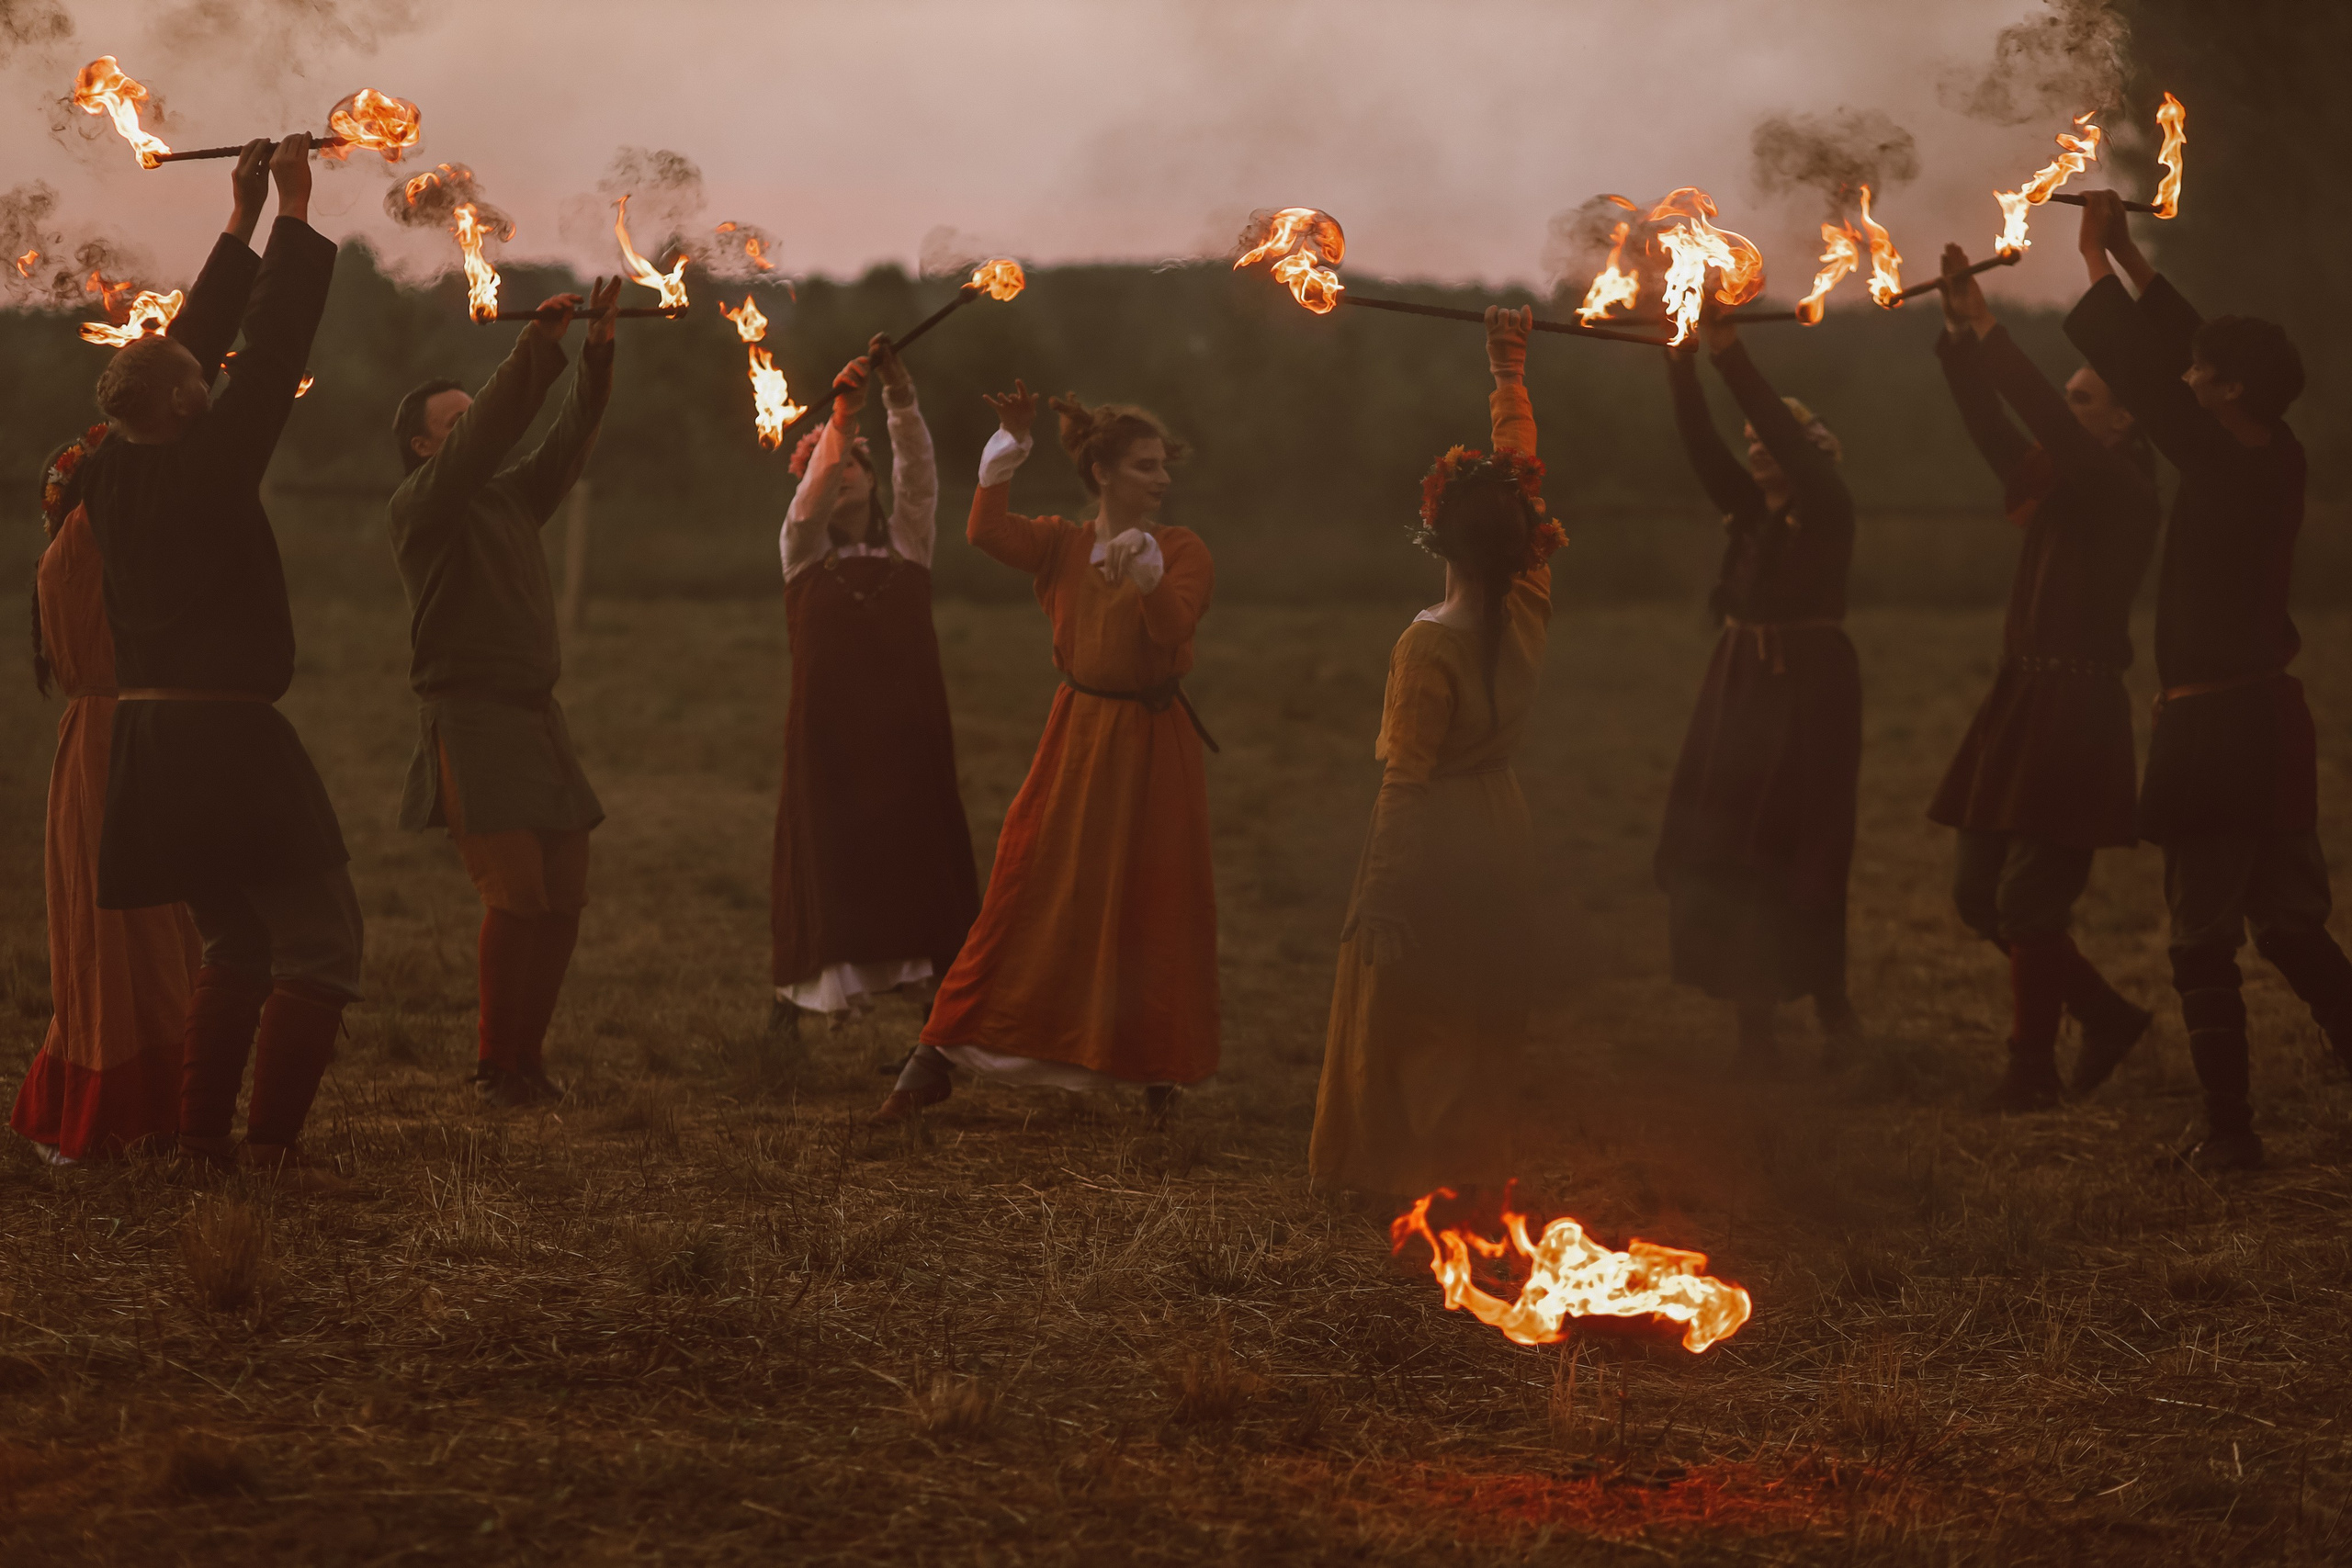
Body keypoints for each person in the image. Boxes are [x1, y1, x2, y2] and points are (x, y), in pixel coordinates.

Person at [78, 135, 356, 1189]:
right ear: (193, 405)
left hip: (150, 749)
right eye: (203, 382)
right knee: (324, 944)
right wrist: (292, 208)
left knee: (236, 941)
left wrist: (234, 226)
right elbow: (275, 344)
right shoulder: (213, 466)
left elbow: (172, 358)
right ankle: (274, 1151)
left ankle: (202, 1146)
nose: (209, 379)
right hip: (230, 743)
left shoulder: (109, 466)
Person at [2064, 190, 2351, 1170]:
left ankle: (2229, 1135)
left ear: (2227, 392)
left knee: (2200, 940)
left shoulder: (2214, 461)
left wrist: (2096, 264)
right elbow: (2187, 354)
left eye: (2204, 375)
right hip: (2272, 724)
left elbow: (2148, 378)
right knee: (2290, 923)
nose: (2187, 379)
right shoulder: (2275, 451)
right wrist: (2138, 259)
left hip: (2213, 734)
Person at [881, 384, 1217, 1120]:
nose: (1160, 479)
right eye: (1143, 465)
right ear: (1102, 473)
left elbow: (1170, 629)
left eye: (1163, 466)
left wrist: (1144, 567)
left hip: (1154, 746)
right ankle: (936, 1053)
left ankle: (1156, 1069)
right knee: (1027, 886)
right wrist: (1013, 438)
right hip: (1077, 735)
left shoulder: (1183, 550)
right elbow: (984, 531)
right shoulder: (1063, 544)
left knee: (1152, 895)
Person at [1310, 306, 1559, 1201]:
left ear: (1436, 537)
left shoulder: (1428, 646)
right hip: (1502, 822)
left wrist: (1379, 893)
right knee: (1480, 999)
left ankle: (1401, 1178)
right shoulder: (1528, 595)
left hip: (1442, 836)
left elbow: (1404, 788)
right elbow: (1524, 483)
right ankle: (1470, 1170)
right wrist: (1507, 376)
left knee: (1416, 1010)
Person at [1930, 243, 2161, 1111]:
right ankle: (2105, 1013)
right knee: (1975, 894)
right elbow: (1999, 431)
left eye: (2082, 399)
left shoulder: (2124, 493)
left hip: (2077, 708)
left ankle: (2032, 1069)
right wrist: (1960, 338)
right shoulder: (2061, 481)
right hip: (2021, 699)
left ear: (2124, 423)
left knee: (2029, 900)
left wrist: (1993, 327)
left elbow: (2045, 426)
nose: (2065, 412)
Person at [385, 276, 621, 1109]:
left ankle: (527, 1061)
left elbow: (570, 436)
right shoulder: (424, 508)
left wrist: (593, 354)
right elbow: (493, 430)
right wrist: (536, 348)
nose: (474, 425)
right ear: (424, 448)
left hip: (537, 719)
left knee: (563, 896)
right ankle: (494, 1065)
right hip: (472, 718)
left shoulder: (513, 500)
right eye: (455, 421)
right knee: (517, 895)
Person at [1655, 311, 1862, 1074]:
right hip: (1739, 686)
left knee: (1801, 844)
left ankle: (1830, 999)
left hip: (1810, 691)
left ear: (1809, 451)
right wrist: (1679, 354)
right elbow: (1703, 443)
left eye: (1771, 434)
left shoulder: (1829, 509)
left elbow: (1772, 424)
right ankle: (1755, 1026)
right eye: (1753, 439)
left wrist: (1729, 352)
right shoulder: (1748, 514)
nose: (1753, 441)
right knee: (1734, 842)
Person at [770, 336, 978, 1033]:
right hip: (830, 736)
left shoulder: (910, 541)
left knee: (913, 859)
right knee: (834, 862)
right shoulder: (801, 551)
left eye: (859, 464)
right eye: (833, 468)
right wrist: (842, 420)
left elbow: (919, 473)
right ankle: (806, 1006)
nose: (847, 473)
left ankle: (934, 1021)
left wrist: (898, 400)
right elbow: (808, 502)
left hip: (907, 731)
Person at [8, 429, 202, 1164]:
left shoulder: (89, 545)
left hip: (127, 738)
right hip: (108, 748)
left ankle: (162, 1100)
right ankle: (119, 1109)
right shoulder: (83, 545)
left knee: (154, 932)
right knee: (116, 934)